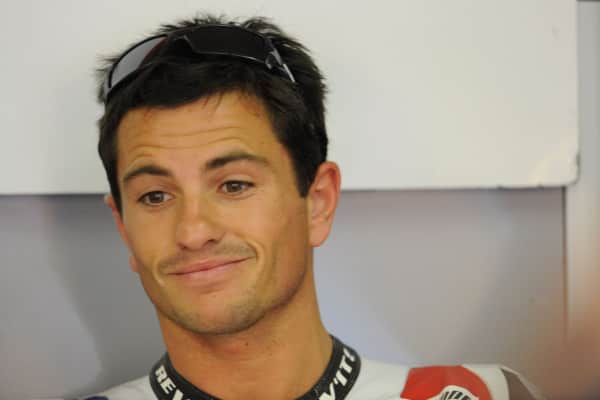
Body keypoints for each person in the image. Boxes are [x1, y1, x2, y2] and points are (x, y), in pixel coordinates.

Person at [83, 14, 544, 400]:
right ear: (123, 227)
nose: (193, 231)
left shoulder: (486, 394)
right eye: (155, 196)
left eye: (234, 185)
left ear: (318, 203)